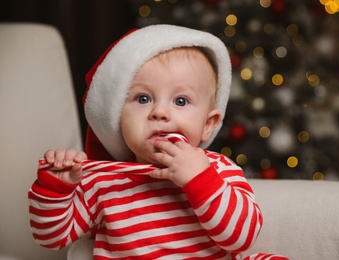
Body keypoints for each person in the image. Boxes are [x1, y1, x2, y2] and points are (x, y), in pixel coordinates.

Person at [28, 24, 287, 259]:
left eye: (181, 101)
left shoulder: (218, 169)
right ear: (118, 118)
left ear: (208, 125)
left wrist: (200, 180)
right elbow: (51, 237)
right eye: (143, 99)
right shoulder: (103, 182)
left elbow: (241, 239)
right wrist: (56, 188)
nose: (160, 112)